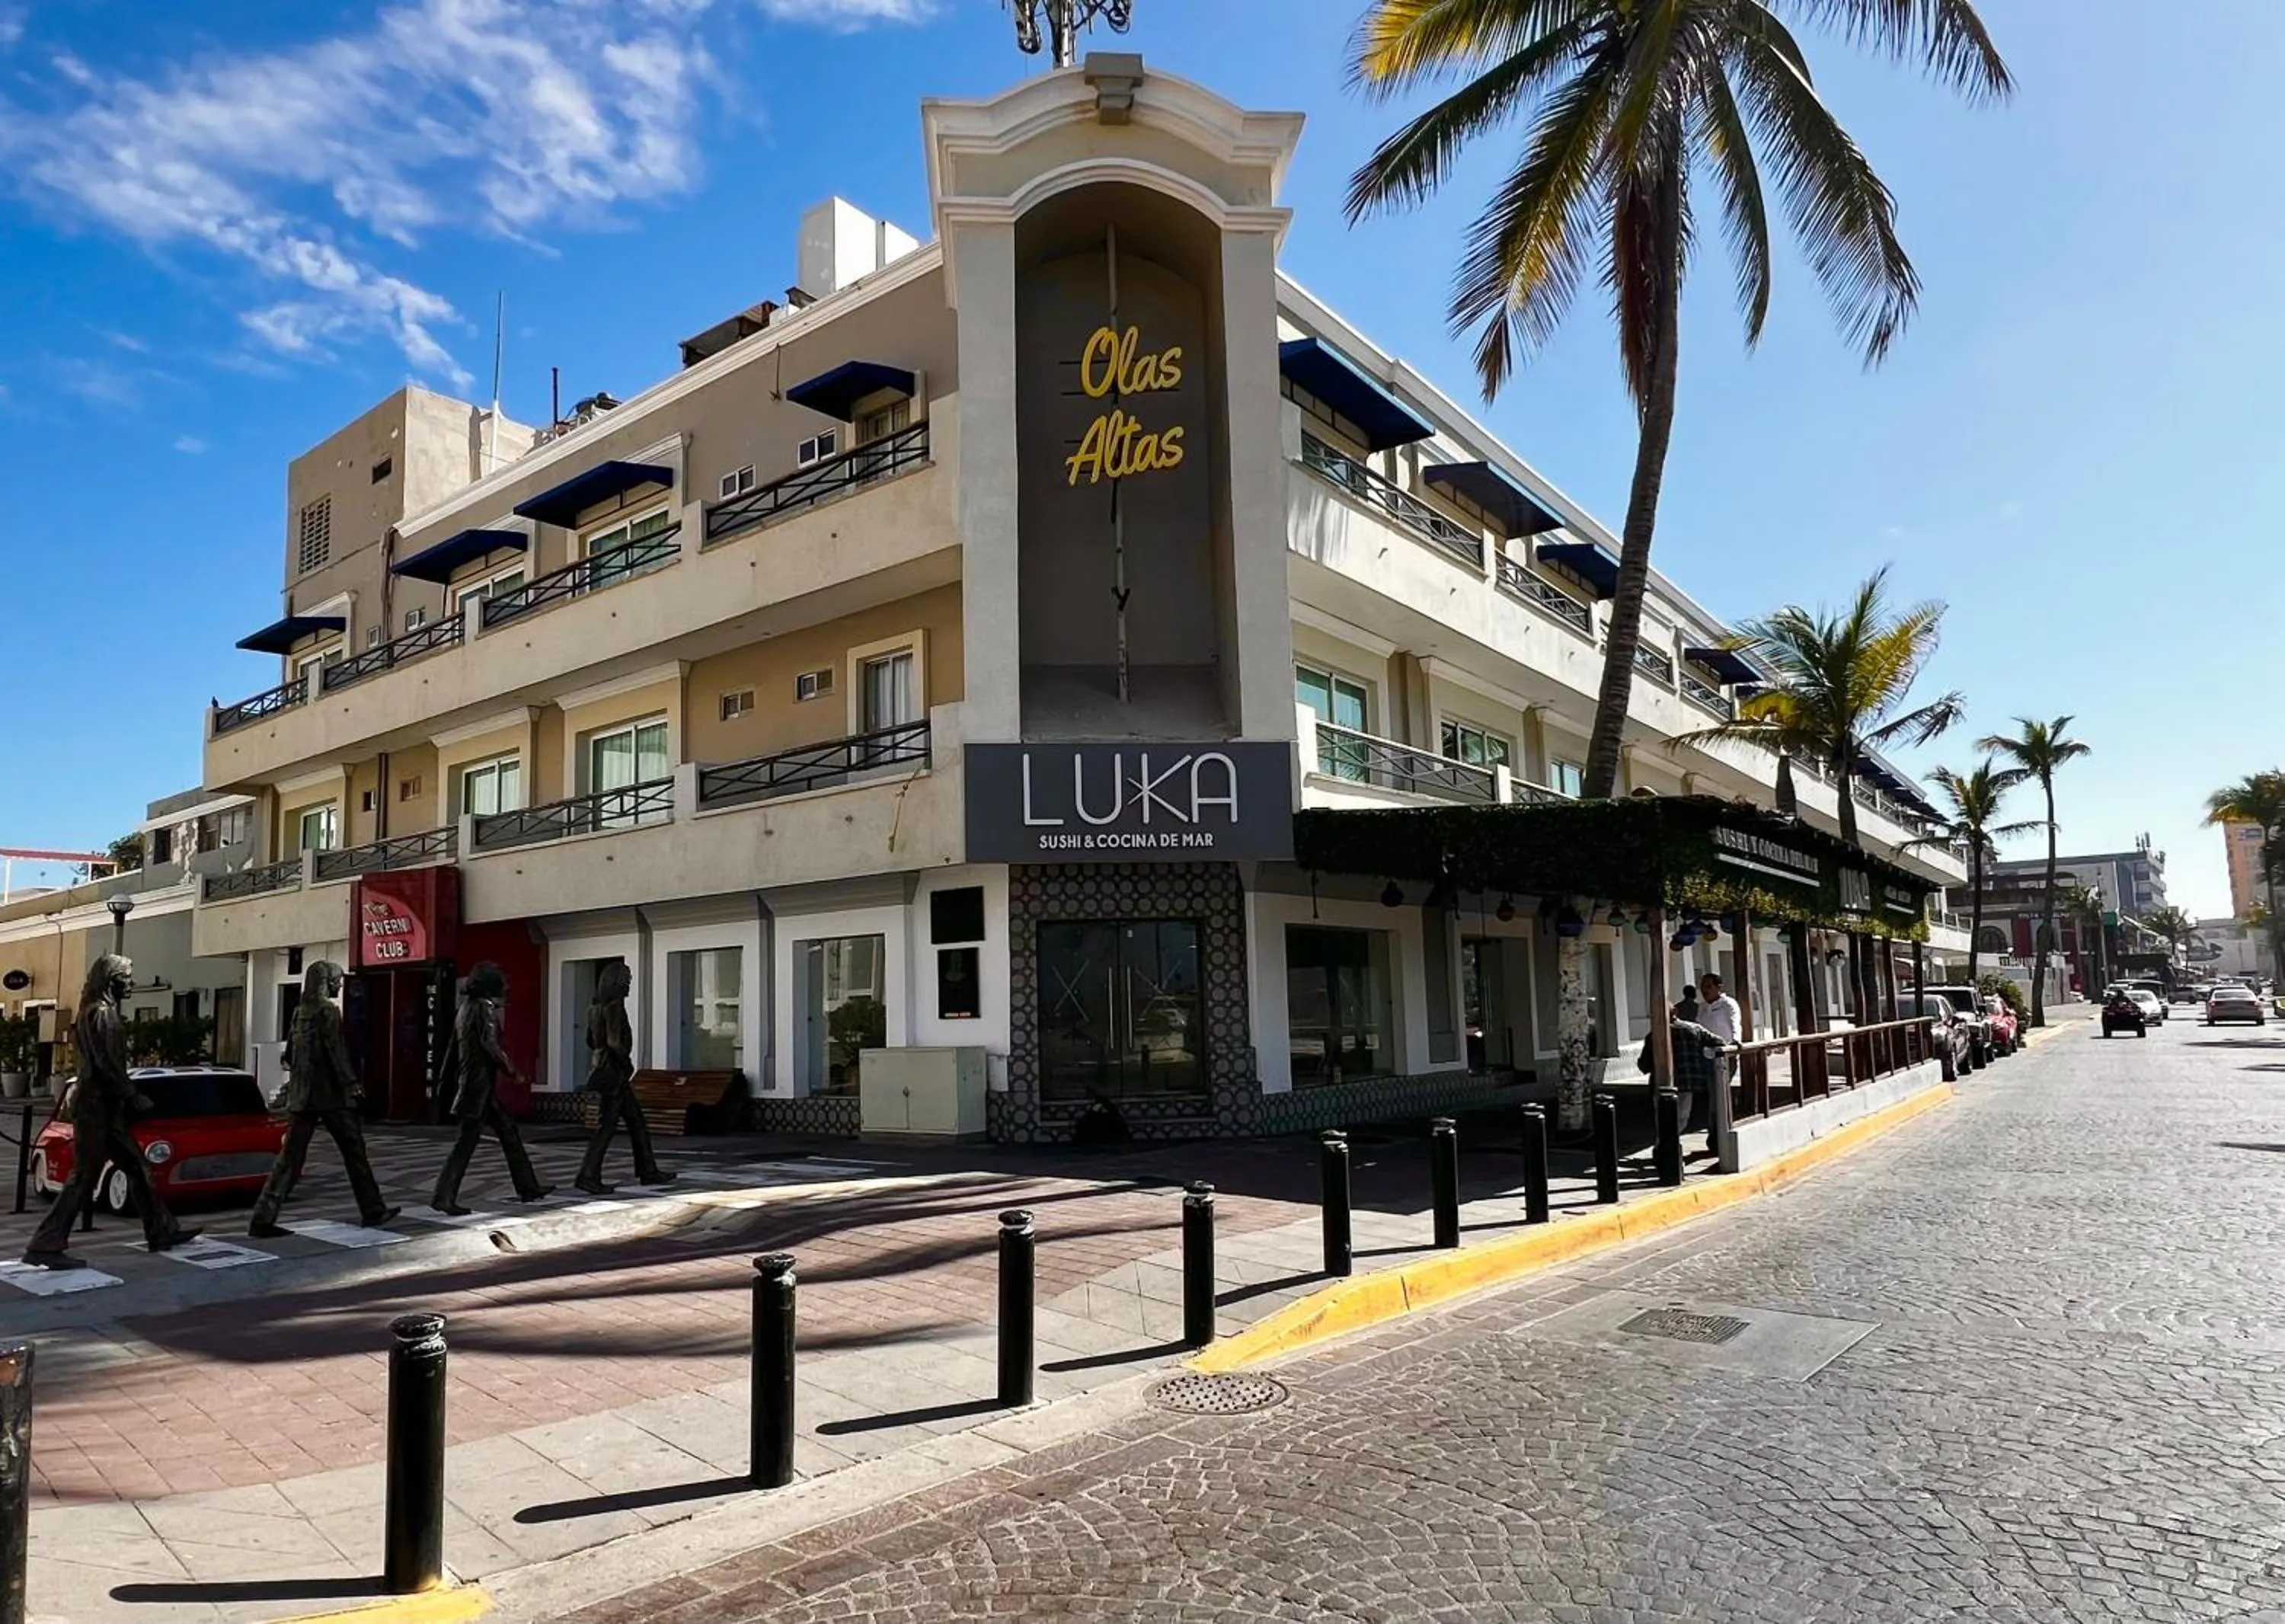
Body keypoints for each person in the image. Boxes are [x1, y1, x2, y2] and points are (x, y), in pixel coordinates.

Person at [24, 955, 200, 1267]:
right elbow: (107, 1064)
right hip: (97, 1107)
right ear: (111, 980)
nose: (131, 983)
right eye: (127, 977)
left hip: (103, 1106)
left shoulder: (95, 1012)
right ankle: (45, 1244)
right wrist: (132, 1095)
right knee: (84, 1178)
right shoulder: (103, 1014)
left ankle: (161, 1230)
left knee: (137, 1167)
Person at [249, 961, 398, 1238]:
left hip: (302, 1096)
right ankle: (373, 1209)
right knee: (355, 1152)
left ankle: (262, 1217)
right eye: (337, 980)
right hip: (330, 1096)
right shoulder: (328, 1011)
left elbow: (290, 1056)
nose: (340, 985)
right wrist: (351, 1083)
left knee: (289, 1160)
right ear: (326, 981)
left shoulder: (299, 1011)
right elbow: (336, 1051)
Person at [430, 962, 551, 1215]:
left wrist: (443, 1081)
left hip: (475, 1087)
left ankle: (528, 1187)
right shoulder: (484, 1010)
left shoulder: (464, 1010)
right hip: (479, 1089)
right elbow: (491, 1046)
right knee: (465, 1145)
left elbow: (451, 1050)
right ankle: (444, 1196)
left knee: (509, 1133)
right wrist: (513, 1072)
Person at [572, 961, 671, 1195]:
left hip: (604, 1069)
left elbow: (590, 1040)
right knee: (607, 1127)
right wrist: (626, 1062)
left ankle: (648, 1170)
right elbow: (616, 1042)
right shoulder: (615, 1007)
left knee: (635, 1122)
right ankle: (588, 1175)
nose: (628, 986)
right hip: (615, 1072)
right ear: (616, 983)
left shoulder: (594, 1008)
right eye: (626, 981)